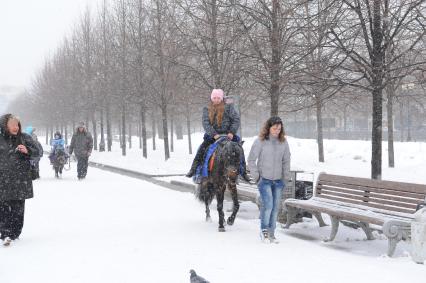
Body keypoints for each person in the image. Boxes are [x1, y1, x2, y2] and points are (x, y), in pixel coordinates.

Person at [185, 89, 251, 182]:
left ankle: (243, 172)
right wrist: (214, 134)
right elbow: (206, 123)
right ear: (212, 98)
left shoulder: (229, 108)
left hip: (228, 135)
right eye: (214, 98)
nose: (216, 100)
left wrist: (231, 132)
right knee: (202, 149)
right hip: (213, 136)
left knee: (239, 149)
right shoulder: (207, 109)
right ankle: (194, 169)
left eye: (218, 98)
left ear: (221, 98)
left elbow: (236, 120)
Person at [247, 116, 291, 243]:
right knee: (268, 206)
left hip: (278, 181)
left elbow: (286, 161)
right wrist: (257, 178)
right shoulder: (260, 141)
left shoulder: (284, 142)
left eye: (279, 128)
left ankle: (272, 233)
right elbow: (251, 160)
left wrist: (285, 178)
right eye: (274, 128)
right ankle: (264, 232)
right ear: (269, 128)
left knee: (276, 207)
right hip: (264, 180)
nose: (277, 130)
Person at [0, 114, 40, 246]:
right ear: (5, 125)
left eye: (17, 124)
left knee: (18, 209)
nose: (15, 127)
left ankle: (15, 233)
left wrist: (27, 150)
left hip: (20, 180)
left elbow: (38, 152)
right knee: (3, 208)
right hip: (3, 180)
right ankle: (5, 234)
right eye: (12, 124)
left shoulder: (24, 137)